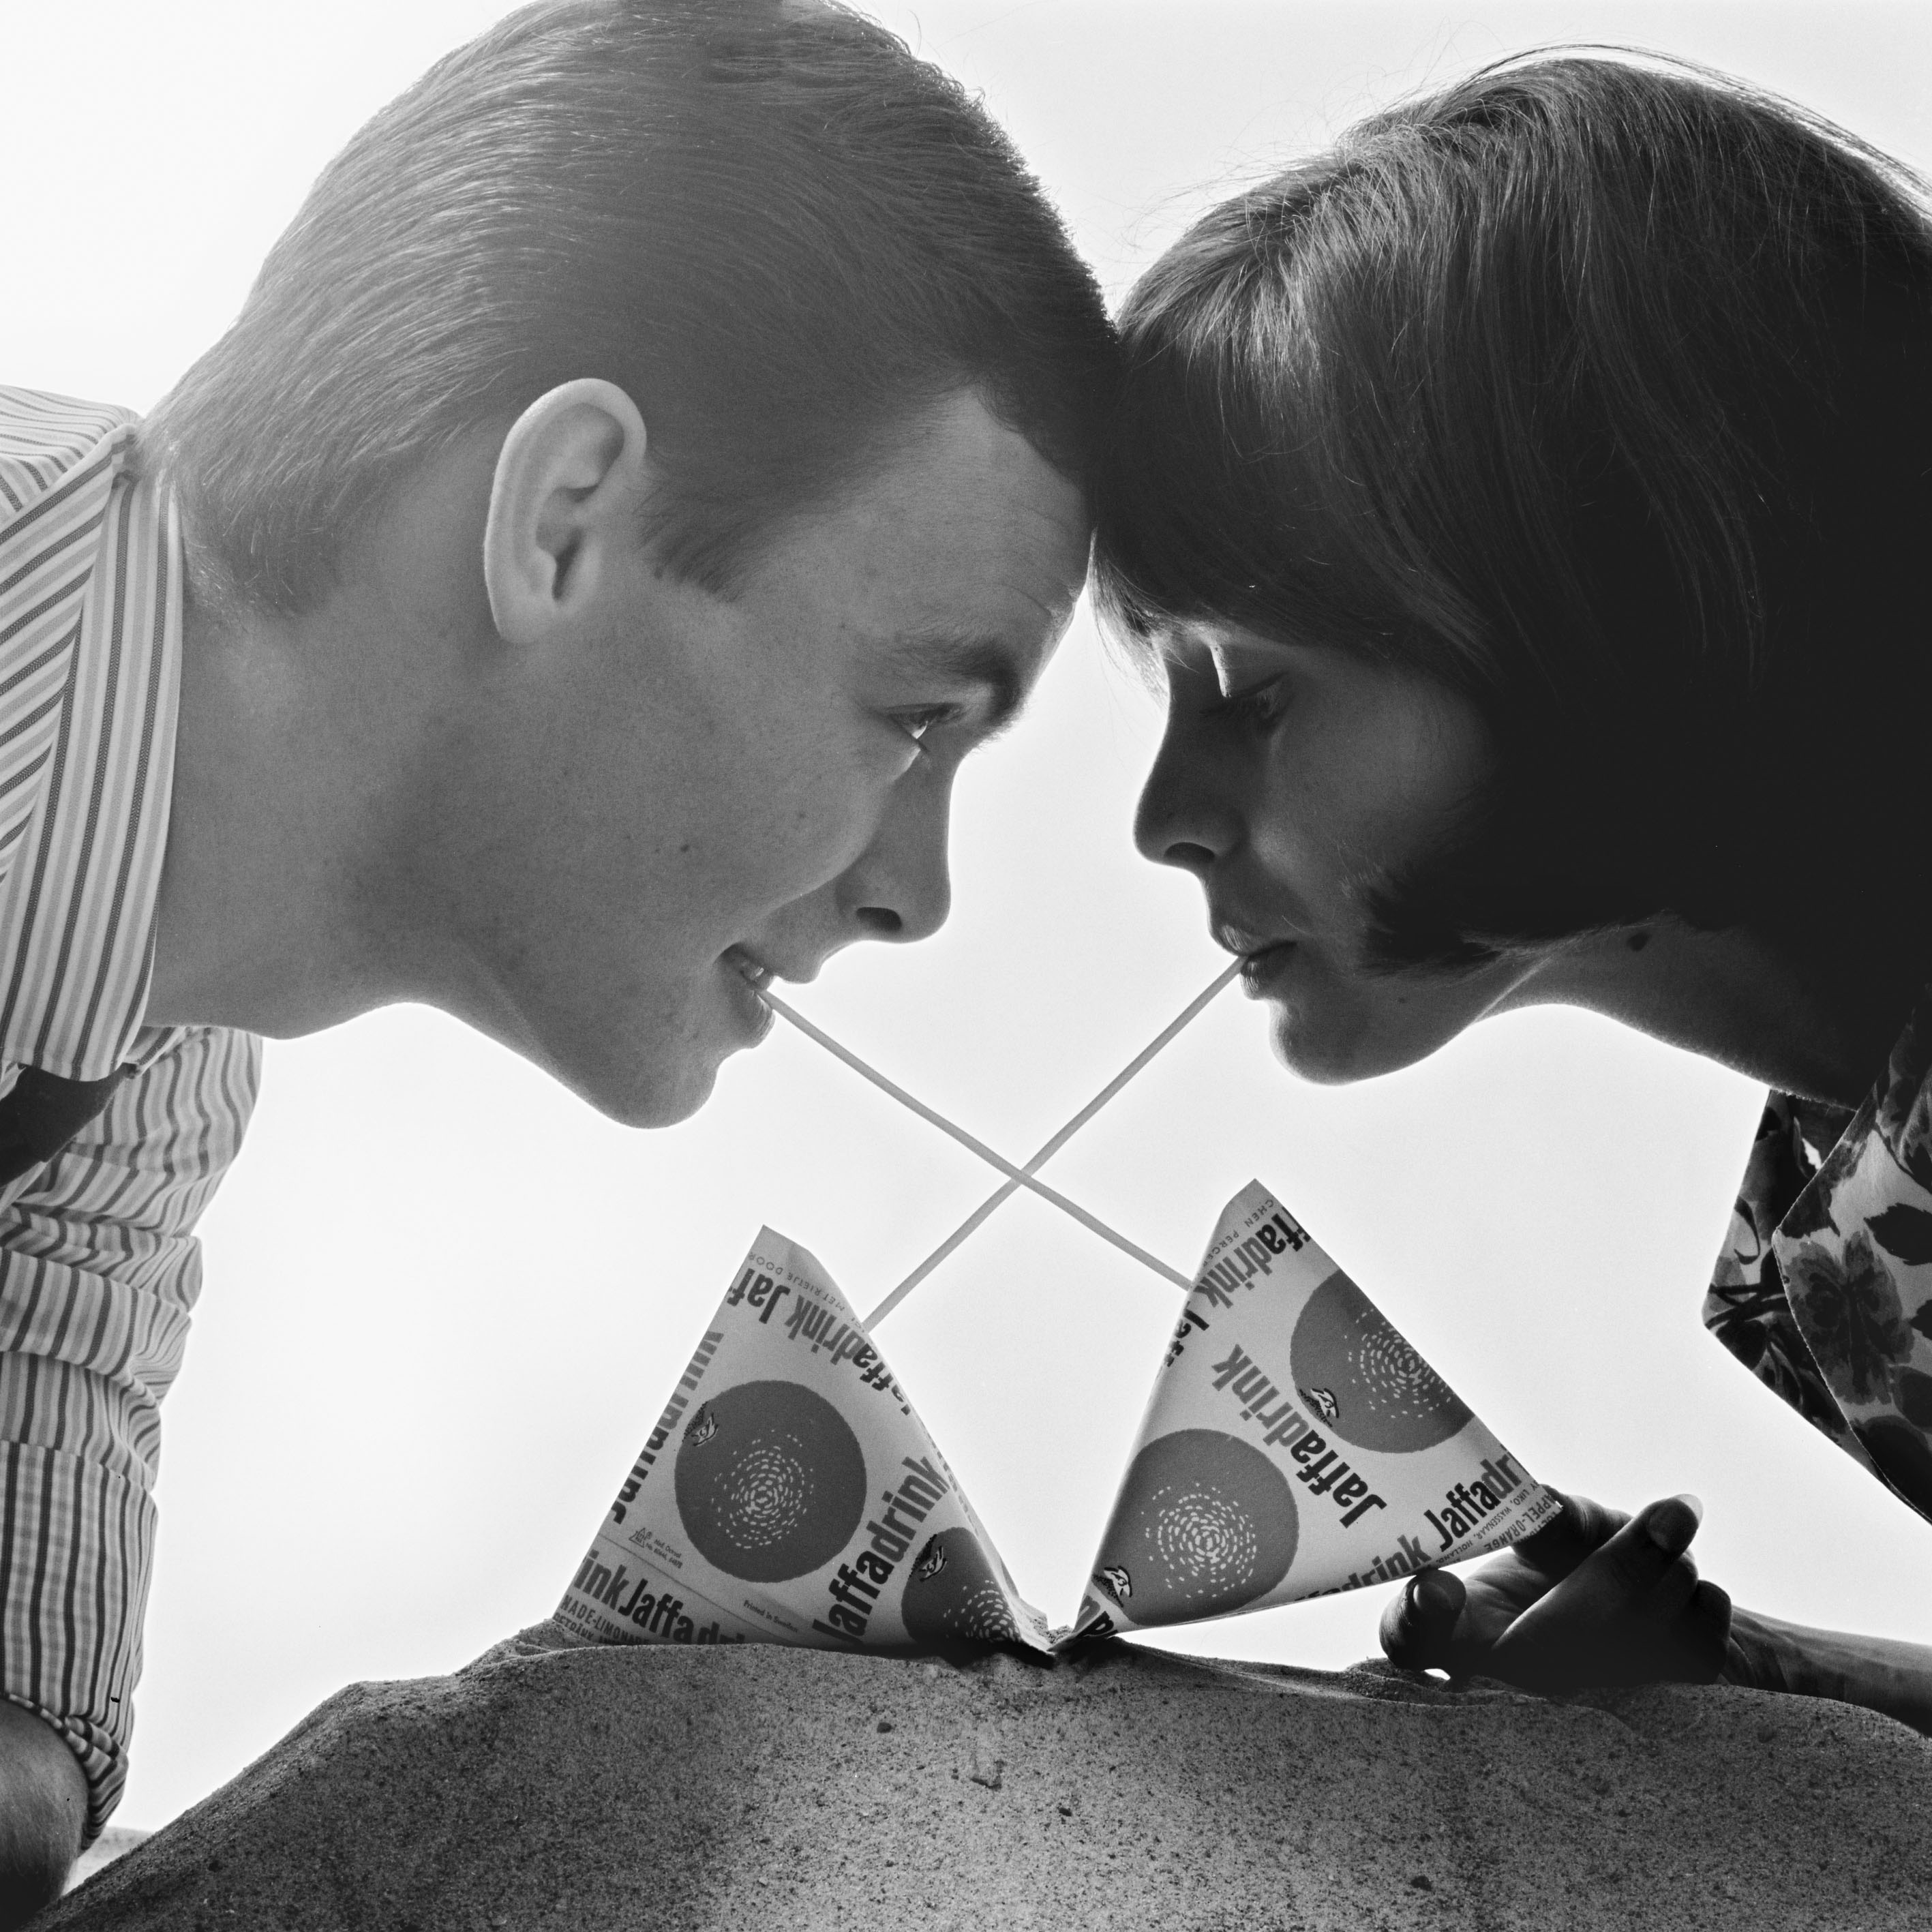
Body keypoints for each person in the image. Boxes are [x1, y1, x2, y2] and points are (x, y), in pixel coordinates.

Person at [0, 0, 1112, 1912]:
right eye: (918, 716)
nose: (918, 894)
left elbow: (24, 1723)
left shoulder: (143, 1059)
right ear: (570, 520)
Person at [1091, 54, 1932, 1730]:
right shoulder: (1850, 1219)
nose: (1162, 817)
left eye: (1257, 695)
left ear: (1621, 593)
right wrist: (1755, 1671)